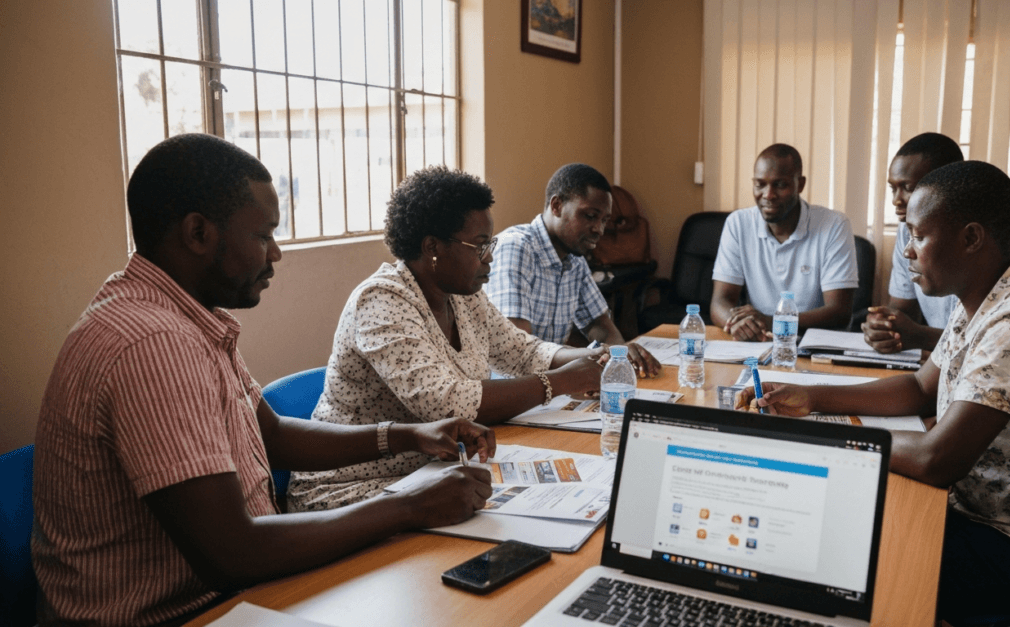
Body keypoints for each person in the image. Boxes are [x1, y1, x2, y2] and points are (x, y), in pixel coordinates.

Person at [32, 134, 495, 627]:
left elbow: (269, 436)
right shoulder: (153, 343)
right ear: (198, 232)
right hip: (183, 614)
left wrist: (407, 435)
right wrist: (408, 507)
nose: (276, 253)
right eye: (263, 235)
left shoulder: (181, 317)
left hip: (239, 594)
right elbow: (232, 553)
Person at [738, 161, 1010, 622]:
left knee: (848, 555)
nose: (906, 251)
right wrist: (814, 399)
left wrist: (825, 440)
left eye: (917, 236)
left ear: (970, 238)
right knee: (851, 514)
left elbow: (935, 458)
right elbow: (918, 389)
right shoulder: (983, 299)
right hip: (998, 521)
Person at [288, 165, 606, 512]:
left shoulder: (463, 295)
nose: (490, 257)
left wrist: (591, 360)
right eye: (480, 245)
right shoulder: (381, 301)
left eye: (491, 243)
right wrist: (560, 382)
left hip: (429, 472)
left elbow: (521, 350)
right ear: (432, 247)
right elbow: (447, 404)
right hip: (348, 488)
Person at [863, 132, 1010, 353]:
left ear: (946, 182)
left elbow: (1002, 340)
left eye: (909, 188)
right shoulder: (909, 232)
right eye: (893, 188)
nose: (896, 200)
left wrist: (921, 336)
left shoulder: (1007, 250)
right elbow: (904, 312)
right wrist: (885, 327)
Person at [487, 163, 661, 377]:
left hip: (549, 385)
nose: (599, 229)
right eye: (590, 216)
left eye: (604, 220)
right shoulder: (516, 248)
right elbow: (518, 350)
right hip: (507, 388)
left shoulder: (574, 259)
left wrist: (618, 355)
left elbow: (600, 325)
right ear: (557, 206)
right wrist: (594, 355)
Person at [710, 144, 858, 341]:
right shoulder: (738, 223)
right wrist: (737, 322)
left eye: (780, 185)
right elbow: (720, 301)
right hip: (760, 341)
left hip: (814, 343)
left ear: (801, 184)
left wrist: (774, 321)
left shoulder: (834, 225)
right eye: (760, 184)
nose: (768, 195)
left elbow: (839, 312)